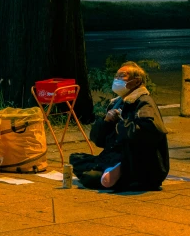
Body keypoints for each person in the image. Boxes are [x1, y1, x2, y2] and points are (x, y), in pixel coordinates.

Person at [69, 61, 169, 191]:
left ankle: (121, 174)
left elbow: (145, 134)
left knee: (89, 178)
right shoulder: (117, 102)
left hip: (137, 161)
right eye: (116, 76)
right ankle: (114, 170)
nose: (117, 79)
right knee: (76, 159)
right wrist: (106, 121)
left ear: (136, 81)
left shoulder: (144, 103)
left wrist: (121, 122)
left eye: (122, 76)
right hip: (114, 155)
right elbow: (99, 140)